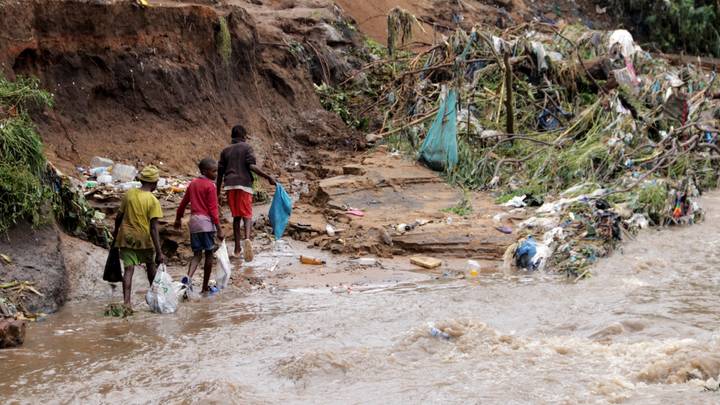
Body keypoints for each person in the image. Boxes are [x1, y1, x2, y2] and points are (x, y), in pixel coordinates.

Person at [217, 124, 276, 261]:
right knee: (247, 215)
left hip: (229, 186)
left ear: (232, 136)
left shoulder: (225, 151)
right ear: (244, 136)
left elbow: (219, 173)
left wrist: (217, 192)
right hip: (244, 184)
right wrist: (268, 177)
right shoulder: (246, 147)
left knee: (236, 217)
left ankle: (237, 248)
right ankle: (247, 240)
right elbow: (252, 166)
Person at [113, 165, 165, 309]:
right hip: (144, 239)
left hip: (127, 237)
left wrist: (116, 231)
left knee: (129, 270)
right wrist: (159, 252)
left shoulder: (129, 194)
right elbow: (154, 228)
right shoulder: (153, 200)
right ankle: (155, 299)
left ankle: (127, 303)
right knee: (151, 268)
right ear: (154, 183)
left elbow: (119, 216)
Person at [174, 158, 224, 293]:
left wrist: (178, 218)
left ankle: (187, 279)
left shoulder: (193, 184)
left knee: (196, 255)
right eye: (213, 171)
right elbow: (213, 209)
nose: (216, 174)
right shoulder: (211, 186)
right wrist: (219, 228)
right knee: (209, 254)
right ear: (204, 171)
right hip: (206, 224)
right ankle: (204, 288)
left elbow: (183, 203)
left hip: (194, 223)